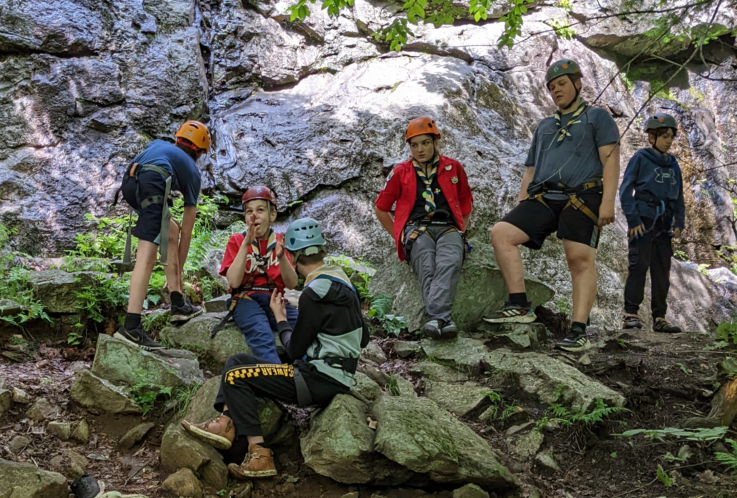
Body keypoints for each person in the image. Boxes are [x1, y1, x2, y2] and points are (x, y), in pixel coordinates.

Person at [180, 218, 367, 479]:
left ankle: (260, 454)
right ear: (322, 251)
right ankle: (225, 424)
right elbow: (364, 337)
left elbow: (293, 350)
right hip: (336, 375)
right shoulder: (344, 282)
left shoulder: (314, 293)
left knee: (235, 377)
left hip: (317, 379)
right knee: (237, 361)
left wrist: (280, 317)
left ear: (290, 255)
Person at [483, 59, 621, 353]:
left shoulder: (598, 118)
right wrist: (523, 203)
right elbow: (531, 170)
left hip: (583, 196)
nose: (556, 90)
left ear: (577, 83)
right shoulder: (545, 126)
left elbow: (610, 159)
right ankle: (519, 305)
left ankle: (578, 330)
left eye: (561, 84)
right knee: (501, 233)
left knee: (579, 258)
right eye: (551, 87)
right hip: (544, 197)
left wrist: (608, 201)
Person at [374, 117, 473, 338]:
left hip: (447, 227)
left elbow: (466, 202)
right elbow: (381, 208)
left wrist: (461, 231)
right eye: (414, 145)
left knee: (450, 262)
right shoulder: (401, 172)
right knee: (426, 265)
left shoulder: (453, 167)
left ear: (436, 142)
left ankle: (436, 319)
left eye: (425, 143)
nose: (420, 149)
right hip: (417, 228)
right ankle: (443, 320)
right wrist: (398, 236)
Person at [117, 121, 209, 350]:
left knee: (171, 231)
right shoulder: (192, 171)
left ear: (178, 140)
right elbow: (188, 232)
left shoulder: (159, 145)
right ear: (199, 151)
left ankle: (178, 303)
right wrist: (178, 274)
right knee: (147, 256)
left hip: (130, 182)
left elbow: (178, 232)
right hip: (154, 181)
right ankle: (132, 327)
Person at [215, 186, 299, 363]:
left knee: (302, 327)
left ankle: (305, 372)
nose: (254, 216)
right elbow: (234, 281)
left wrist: (282, 257)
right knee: (261, 334)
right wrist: (246, 245)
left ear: (272, 215)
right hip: (245, 298)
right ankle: (274, 378)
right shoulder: (237, 241)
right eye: (249, 212)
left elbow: (292, 284)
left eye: (260, 210)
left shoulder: (280, 241)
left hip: (275, 299)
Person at [619, 113, 686, 333]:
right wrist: (633, 219)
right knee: (638, 266)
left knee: (662, 270)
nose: (668, 140)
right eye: (664, 136)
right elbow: (626, 190)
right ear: (651, 137)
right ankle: (630, 314)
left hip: (665, 224)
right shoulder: (640, 158)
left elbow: (679, 196)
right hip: (644, 219)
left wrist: (679, 221)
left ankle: (660, 317)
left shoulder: (673, 163)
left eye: (670, 137)